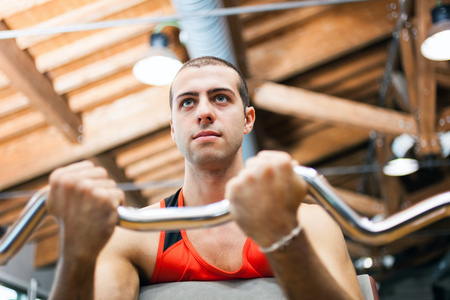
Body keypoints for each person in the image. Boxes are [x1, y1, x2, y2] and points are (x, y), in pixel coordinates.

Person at [46, 56, 364, 299]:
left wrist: (283, 238)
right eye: (188, 102)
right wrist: (76, 252)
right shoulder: (135, 234)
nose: (204, 112)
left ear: (247, 119)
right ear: (173, 127)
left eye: (221, 97)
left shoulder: (308, 223)